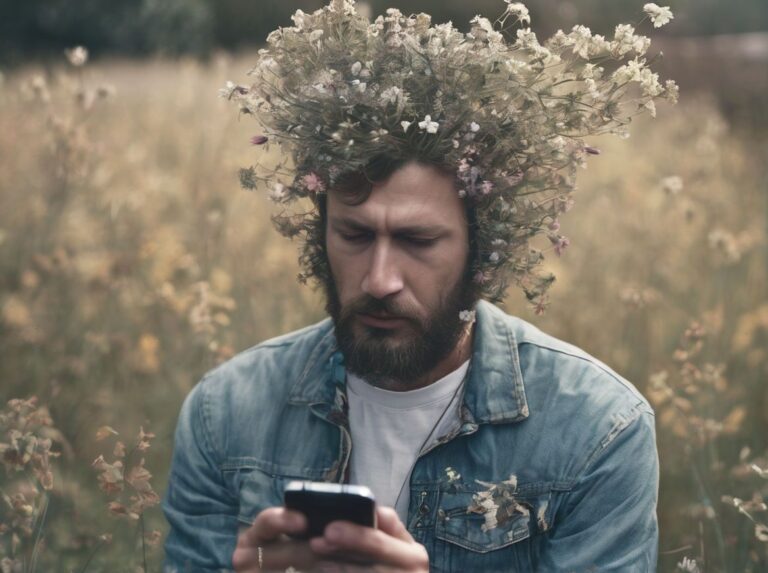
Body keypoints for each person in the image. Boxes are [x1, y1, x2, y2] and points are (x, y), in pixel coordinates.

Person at [163, 1, 677, 571]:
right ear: (320, 231)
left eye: (418, 241)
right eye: (354, 236)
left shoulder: (596, 431)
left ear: (481, 251)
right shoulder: (226, 413)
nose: (379, 280)